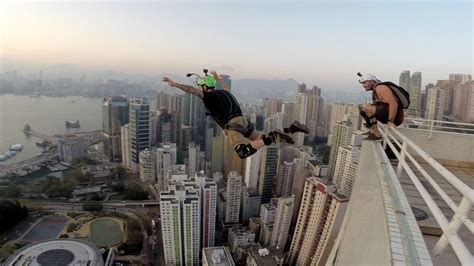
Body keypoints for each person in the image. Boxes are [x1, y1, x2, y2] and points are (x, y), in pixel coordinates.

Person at [162, 69, 309, 159]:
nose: (199, 88)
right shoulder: (225, 92)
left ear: (205, 87)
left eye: (201, 86)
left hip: (233, 126)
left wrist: (175, 84)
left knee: (243, 152)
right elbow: (225, 86)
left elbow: (192, 91)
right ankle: (292, 129)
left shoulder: (209, 95)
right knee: (261, 138)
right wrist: (217, 78)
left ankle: (273, 137)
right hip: (243, 122)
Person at [358, 73, 405, 140]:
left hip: (395, 118)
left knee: (365, 106)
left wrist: (390, 121)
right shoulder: (375, 90)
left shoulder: (380, 88)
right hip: (388, 113)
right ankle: (373, 131)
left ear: (372, 81)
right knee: (364, 109)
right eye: (362, 83)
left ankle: (376, 134)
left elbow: (394, 103)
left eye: (365, 82)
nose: (363, 85)